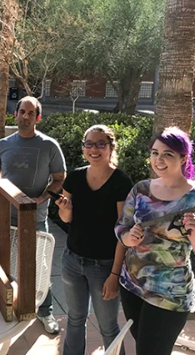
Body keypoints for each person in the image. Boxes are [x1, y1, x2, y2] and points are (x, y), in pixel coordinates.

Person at [115, 127, 195, 355]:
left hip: (169, 293)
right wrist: (128, 237)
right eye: (155, 153)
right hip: (132, 285)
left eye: (168, 154)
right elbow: (121, 226)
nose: (159, 160)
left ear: (184, 158)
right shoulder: (141, 190)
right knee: (144, 346)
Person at [0, 96, 66, 334]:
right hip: (4, 216)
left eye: (31, 113)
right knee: (2, 263)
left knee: (38, 267)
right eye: (22, 111)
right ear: (16, 114)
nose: (25, 116)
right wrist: (5, 194)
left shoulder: (49, 145)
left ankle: (46, 312)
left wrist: (40, 199)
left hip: (36, 217)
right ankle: (6, 306)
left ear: (38, 118)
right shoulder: (3, 145)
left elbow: (60, 178)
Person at [55, 125, 133, 355]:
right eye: (89, 144)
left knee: (108, 327)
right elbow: (66, 218)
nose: (94, 149)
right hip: (72, 260)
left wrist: (115, 274)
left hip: (105, 265)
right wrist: (65, 208)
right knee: (75, 318)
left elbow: (123, 231)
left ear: (111, 147)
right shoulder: (76, 177)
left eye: (101, 144)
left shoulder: (121, 182)